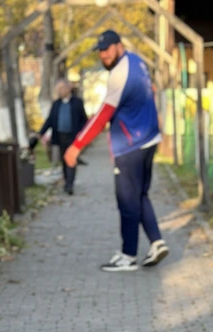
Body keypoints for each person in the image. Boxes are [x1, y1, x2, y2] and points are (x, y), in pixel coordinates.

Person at [64, 30, 169, 272]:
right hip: (149, 139)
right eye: (101, 51)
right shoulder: (138, 62)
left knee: (127, 201)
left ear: (118, 46)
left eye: (107, 49)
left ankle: (128, 255)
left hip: (130, 145)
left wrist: (76, 146)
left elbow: (102, 115)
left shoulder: (119, 74)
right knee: (140, 195)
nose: (104, 55)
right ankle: (157, 242)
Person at [38, 80, 88, 195]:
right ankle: (66, 181)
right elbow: (50, 120)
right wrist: (41, 133)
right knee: (63, 159)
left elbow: (83, 120)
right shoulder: (56, 104)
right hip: (60, 136)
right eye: (58, 89)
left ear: (68, 88)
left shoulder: (77, 103)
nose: (59, 91)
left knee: (71, 159)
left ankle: (70, 184)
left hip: (73, 136)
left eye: (61, 88)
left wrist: (82, 135)